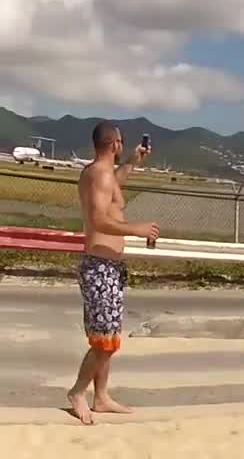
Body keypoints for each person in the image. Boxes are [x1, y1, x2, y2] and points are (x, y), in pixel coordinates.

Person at [67, 122, 157, 425]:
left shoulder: (101, 174)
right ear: (114, 143)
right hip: (100, 266)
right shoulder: (99, 174)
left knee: (105, 335)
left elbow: (112, 190)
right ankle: (78, 392)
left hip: (109, 267)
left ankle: (101, 396)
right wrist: (137, 229)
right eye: (122, 142)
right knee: (105, 342)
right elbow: (98, 219)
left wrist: (132, 162)